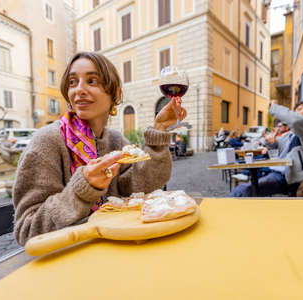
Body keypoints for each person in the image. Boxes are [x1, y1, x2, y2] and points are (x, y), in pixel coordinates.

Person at [13, 52, 187, 245]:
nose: (79, 90)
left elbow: (140, 186)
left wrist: (159, 131)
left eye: (92, 80)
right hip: (67, 257)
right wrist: (83, 190)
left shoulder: (115, 140)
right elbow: (27, 230)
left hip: (113, 245)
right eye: (72, 82)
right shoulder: (47, 142)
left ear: (116, 94)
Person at [229, 101, 303, 197]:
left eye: (299, 109)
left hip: (292, 178)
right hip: (278, 172)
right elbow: (278, 144)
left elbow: (296, 121)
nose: (295, 113)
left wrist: (275, 107)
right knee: (248, 189)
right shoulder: (292, 133)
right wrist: (271, 141)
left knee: (242, 191)